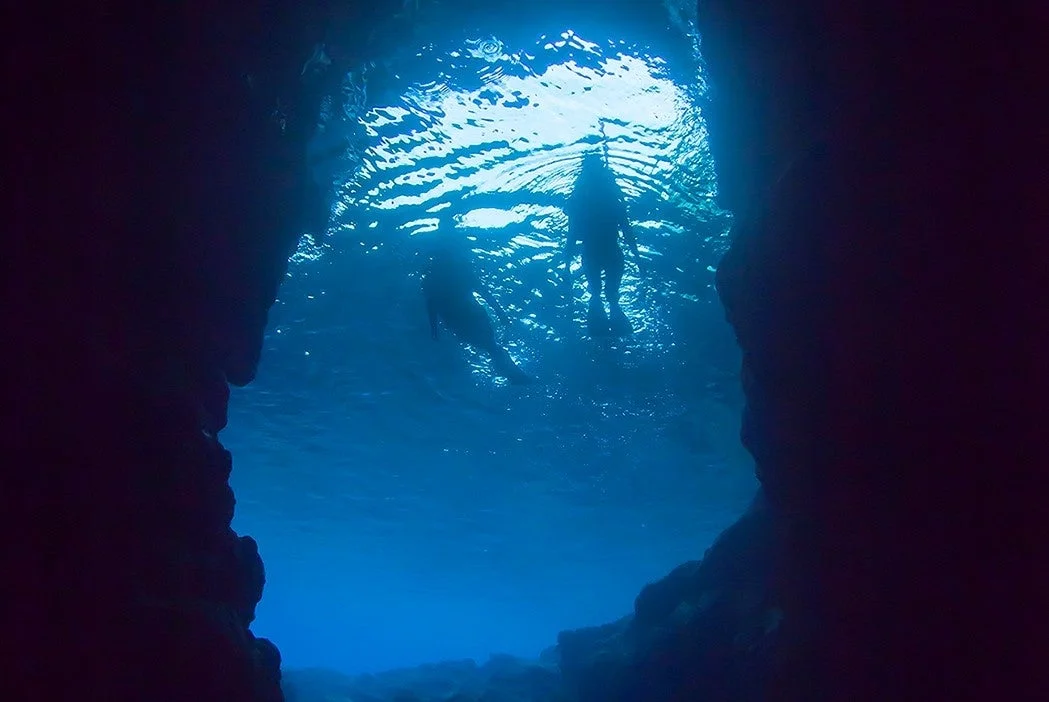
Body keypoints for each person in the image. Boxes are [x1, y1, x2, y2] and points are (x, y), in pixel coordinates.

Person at [422, 212, 531, 385]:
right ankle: (512, 375)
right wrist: (500, 313)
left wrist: (434, 329)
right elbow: (482, 291)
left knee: (490, 347)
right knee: (491, 347)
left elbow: (431, 302)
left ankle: (511, 375)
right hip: (469, 316)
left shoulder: (438, 270)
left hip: (461, 319)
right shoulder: (456, 267)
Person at [563, 151, 641, 336]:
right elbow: (628, 232)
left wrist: (566, 265)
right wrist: (638, 259)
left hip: (592, 254)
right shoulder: (611, 199)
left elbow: (572, 235)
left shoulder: (581, 201)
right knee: (609, 295)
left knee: (597, 293)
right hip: (610, 252)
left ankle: (602, 332)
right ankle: (612, 325)